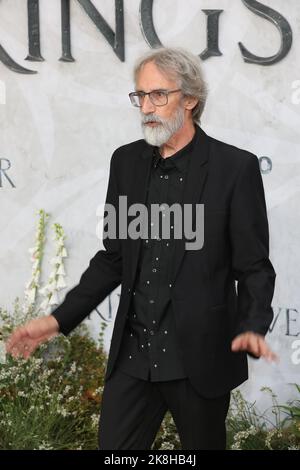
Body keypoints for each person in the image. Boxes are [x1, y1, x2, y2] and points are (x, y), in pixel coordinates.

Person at [6, 47, 277, 450]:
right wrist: (57, 320)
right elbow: (113, 257)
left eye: (158, 95)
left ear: (190, 99)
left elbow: (254, 266)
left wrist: (253, 325)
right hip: (134, 357)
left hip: (199, 358)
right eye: (140, 96)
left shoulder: (234, 168)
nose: (146, 107)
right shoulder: (126, 162)